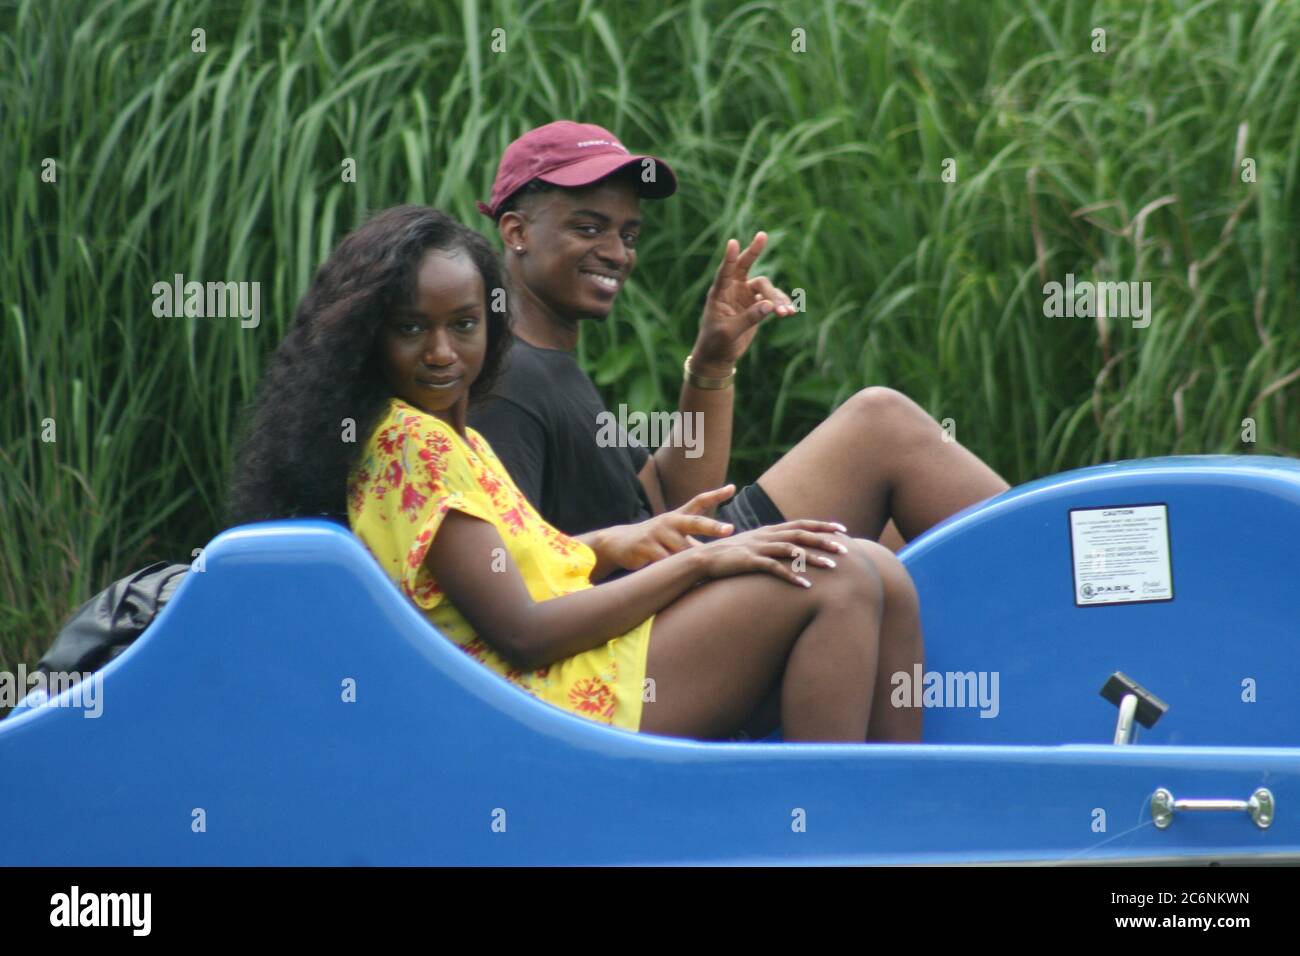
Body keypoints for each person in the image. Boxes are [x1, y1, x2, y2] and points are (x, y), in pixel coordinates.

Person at [226, 205, 924, 743]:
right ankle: (831, 833)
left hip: (581, 673)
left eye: (463, 324)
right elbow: (524, 632)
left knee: (875, 568)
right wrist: (703, 566)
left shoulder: (450, 438)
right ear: (368, 335)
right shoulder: (410, 444)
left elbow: (499, 570)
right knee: (836, 574)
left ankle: (897, 832)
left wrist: (611, 543)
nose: (441, 351)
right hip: (548, 707)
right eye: (412, 328)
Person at [468, 121, 1010, 578]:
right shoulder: (506, 381)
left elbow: (667, 501)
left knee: (895, 536)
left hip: (673, 587)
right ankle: (1076, 601)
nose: (615, 253)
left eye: (628, 236)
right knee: (881, 423)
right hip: (643, 629)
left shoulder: (552, 367)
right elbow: (511, 573)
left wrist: (711, 365)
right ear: (516, 232)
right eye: (589, 228)